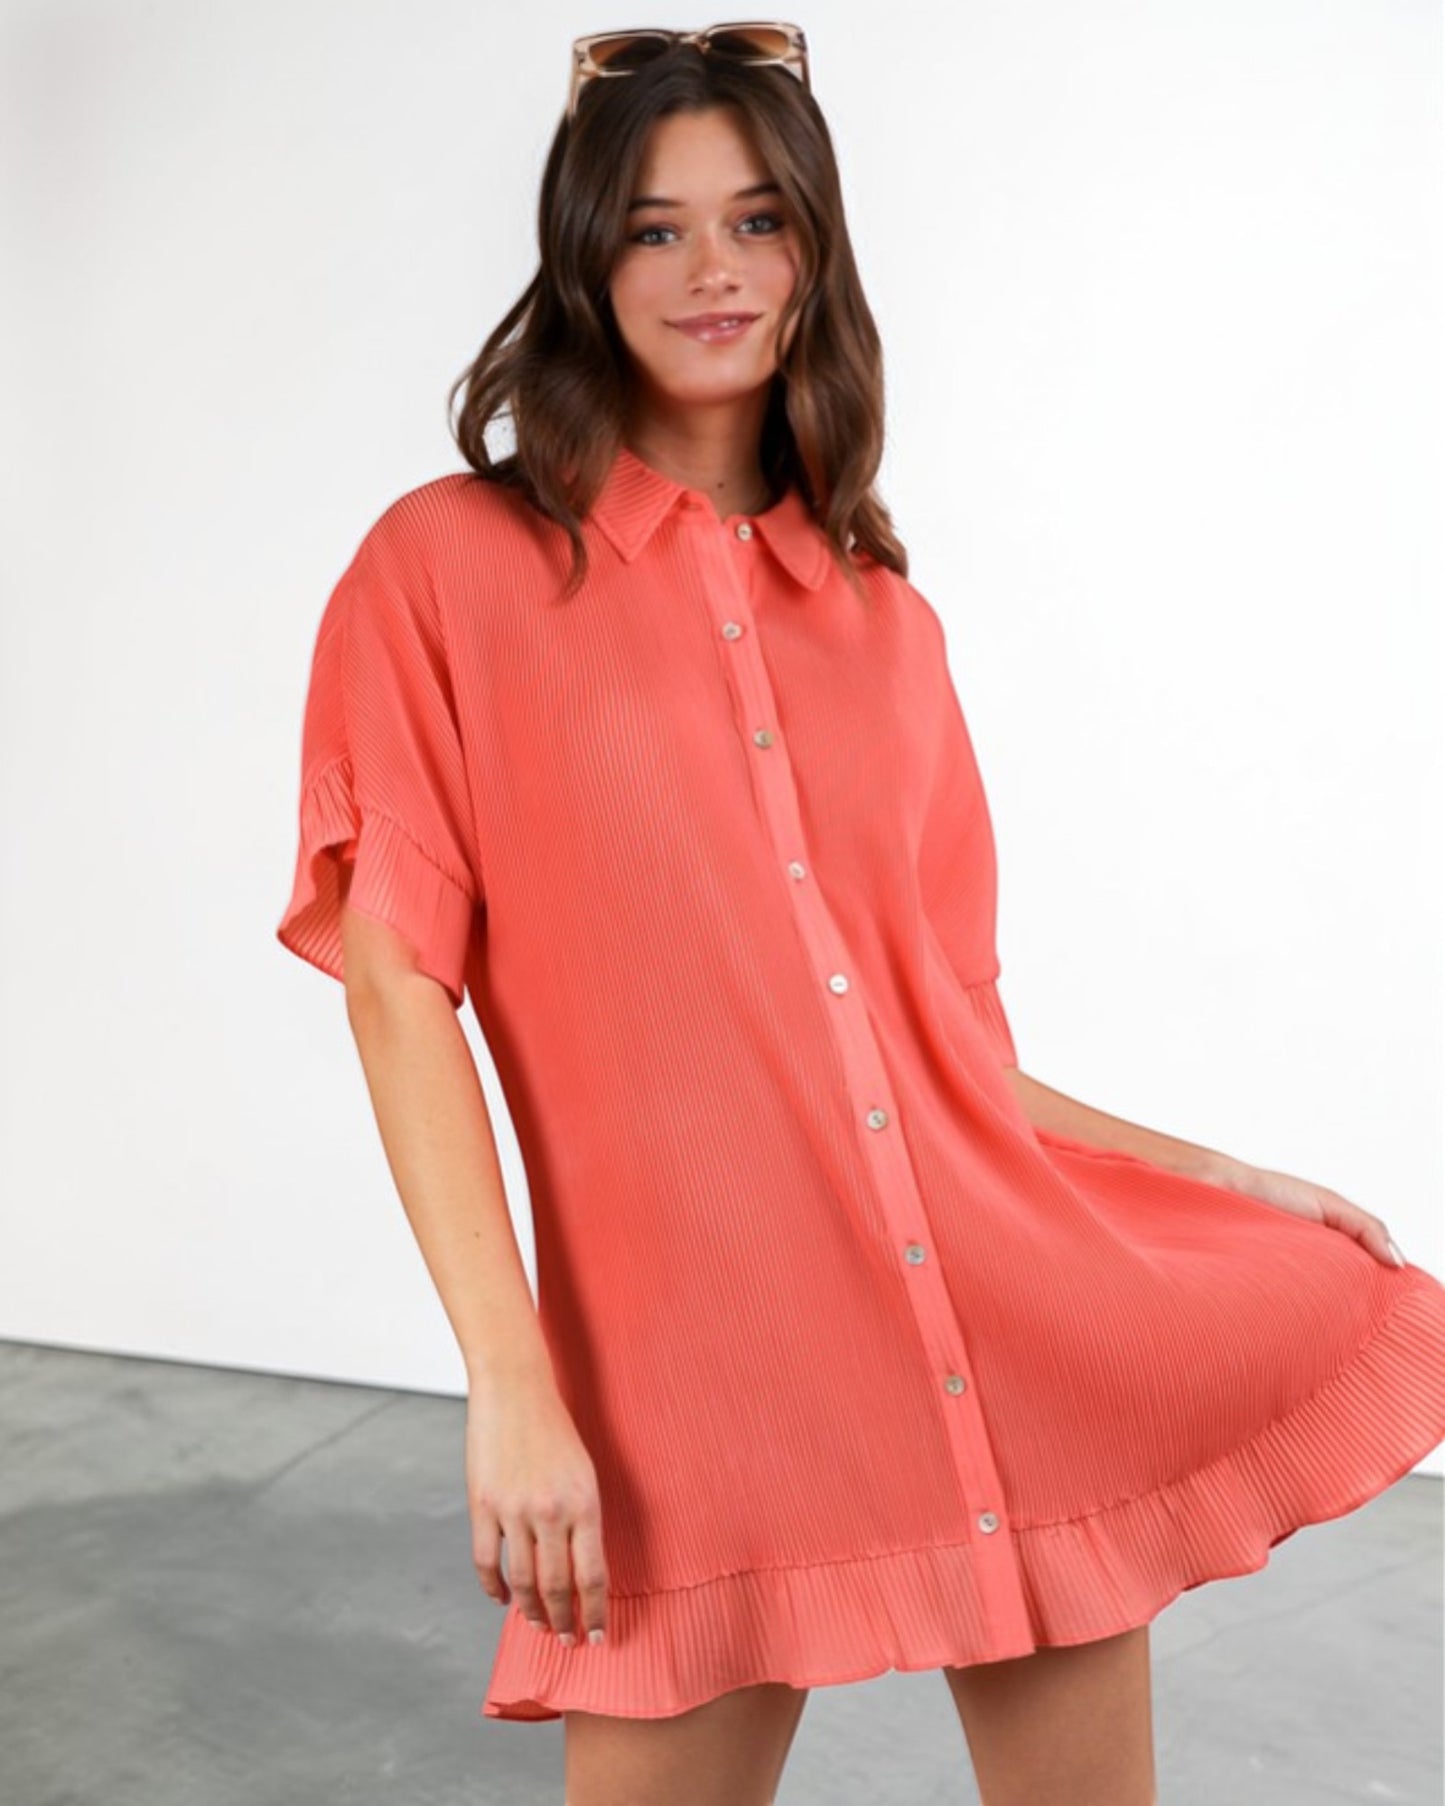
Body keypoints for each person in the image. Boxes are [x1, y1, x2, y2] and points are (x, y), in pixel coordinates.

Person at [275, 23, 1445, 1806]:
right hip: (699, 1407)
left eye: (758, 220)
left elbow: (941, 1063)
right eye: (656, 228)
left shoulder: (885, 626)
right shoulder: (447, 571)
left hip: (1004, 1347)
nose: (715, 270)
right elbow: (395, 988)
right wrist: (510, 1385)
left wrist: (1216, 1180)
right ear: (582, 256)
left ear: (816, 251)